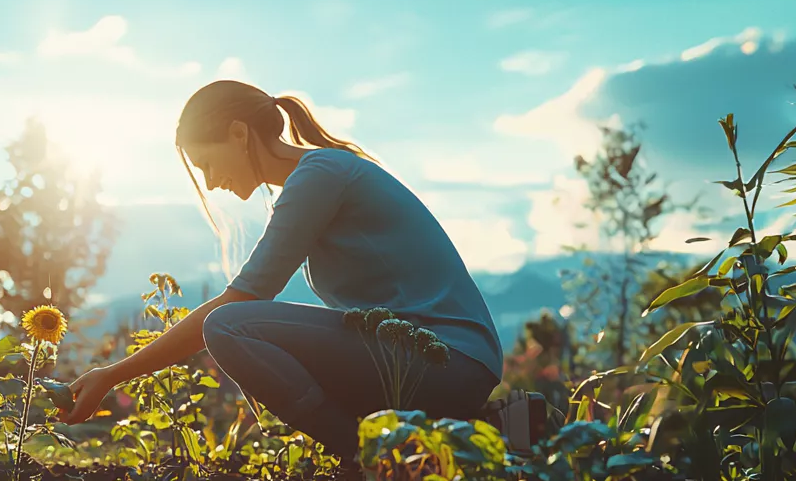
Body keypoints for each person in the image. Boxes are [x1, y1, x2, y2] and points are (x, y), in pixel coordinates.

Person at [63, 80, 503, 460]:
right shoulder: (320, 175)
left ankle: (368, 456)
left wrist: (111, 375)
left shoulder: (321, 174)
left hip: (446, 361)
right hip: (435, 364)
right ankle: (475, 432)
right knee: (249, 331)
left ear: (239, 133)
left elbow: (243, 301)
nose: (212, 182)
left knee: (230, 327)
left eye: (207, 164)